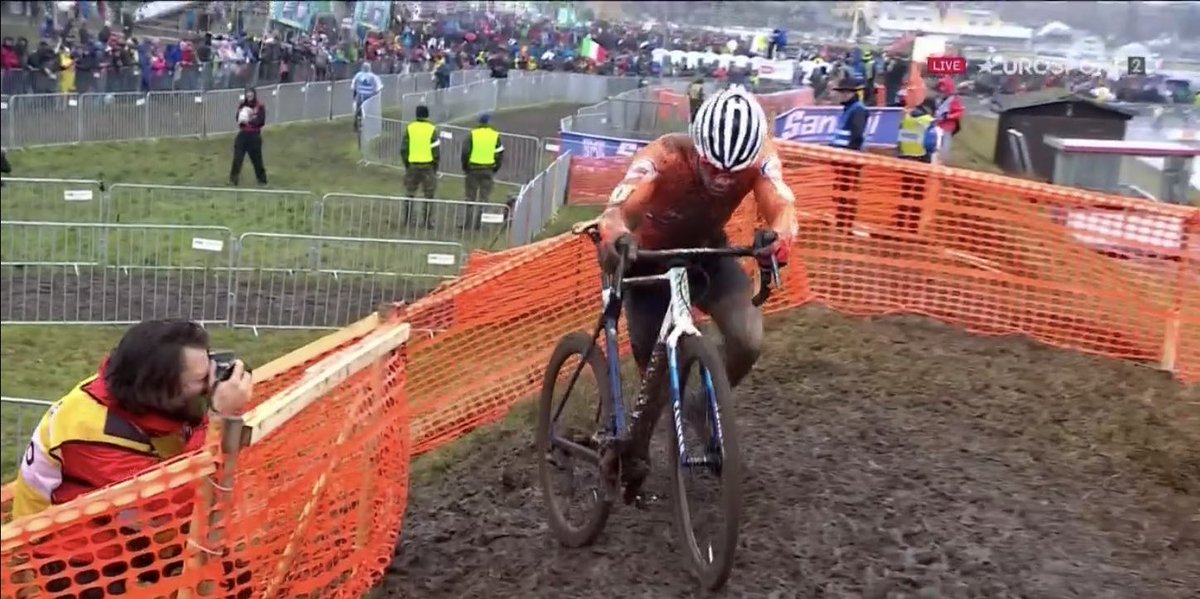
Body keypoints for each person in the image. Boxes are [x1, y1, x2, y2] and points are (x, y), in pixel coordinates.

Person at [596, 86, 795, 475]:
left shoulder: (761, 157)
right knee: (655, 371)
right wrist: (616, 233)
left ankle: (703, 405)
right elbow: (618, 209)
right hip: (647, 261)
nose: (722, 180)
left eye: (733, 173)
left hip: (707, 252)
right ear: (698, 148)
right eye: (713, 168)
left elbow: (783, 205)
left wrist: (780, 238)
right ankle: (634, 451)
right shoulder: (665, 156)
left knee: (748, 340)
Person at [12, 319, 254, 519]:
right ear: (159, 388)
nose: (211, 384)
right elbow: (172, 508)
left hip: (113, 523)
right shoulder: (90, 432)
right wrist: (219, 417)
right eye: (201, 379)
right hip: (64, 548)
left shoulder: (131, 390)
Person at [829, 76, 869, 230]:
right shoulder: (849, 109)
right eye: (842, 92)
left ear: (854, 93)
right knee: (843, 190)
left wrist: (848, 155)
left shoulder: (857, 109)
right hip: (843, 157)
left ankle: (845, 224)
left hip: (849, 159)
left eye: (847, 92)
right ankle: (842, 222)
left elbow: (857, 136)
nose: (844, 95)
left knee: (848, 191)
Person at [460, 113, 504, 230]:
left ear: (479, 123)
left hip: (473, 169)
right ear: (489, 123)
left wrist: (465, 167)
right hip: (488, 170)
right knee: (484, 199)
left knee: (470, 198)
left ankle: (468, 224)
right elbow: (499, 154)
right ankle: (478, 224)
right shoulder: (495, 135)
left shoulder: (472, 134)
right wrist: (495, 168)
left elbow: (465, 152)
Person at [401, 104, 441, 227]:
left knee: (410, 193)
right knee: (429, 195)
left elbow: (404, 148)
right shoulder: (431, 129)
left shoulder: (410, 128)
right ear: (427, 115)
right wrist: (435, 165)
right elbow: (435, 149)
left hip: (412, 165)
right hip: (428, 166)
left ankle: (408, 220)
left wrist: (407, 164)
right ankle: (427, 221)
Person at [230, 87, 267, 186]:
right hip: (243, 135)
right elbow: (237, 118)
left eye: (251, 93)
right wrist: (241, 116)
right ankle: (233, 179)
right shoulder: (242, 105)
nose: (249, 95)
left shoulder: (260, 105)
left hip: (254, 135)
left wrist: (249, 120)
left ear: (254, 94)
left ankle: (262, 180)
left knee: (257, 160)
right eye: (247, 93)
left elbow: (261, 121)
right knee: (237, 157)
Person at [932, 76, 964, 164]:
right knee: (936, 143)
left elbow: (960, 112)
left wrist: (948, 116)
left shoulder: (953, 99)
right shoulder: (938, 98)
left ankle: (943, 161)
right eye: (940, 87)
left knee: (945, 145)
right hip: (937, 124)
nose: (941, 89)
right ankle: (935, 159)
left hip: (947, 126)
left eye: (943, 87)